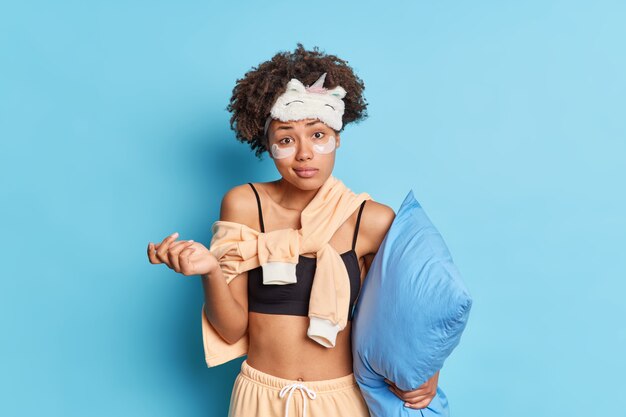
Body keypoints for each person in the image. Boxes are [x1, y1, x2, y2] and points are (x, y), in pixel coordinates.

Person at [147, 43, 440, 417]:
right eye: (286, 139)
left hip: (340, 401)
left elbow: (414, 311)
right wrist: (210, 271)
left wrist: (428, 369)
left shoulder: (371, 219)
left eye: (318, 135)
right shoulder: (244, 204)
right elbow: (232, 330)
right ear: (267, 145)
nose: (304, 153)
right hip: (260, 397)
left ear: (337, 137)